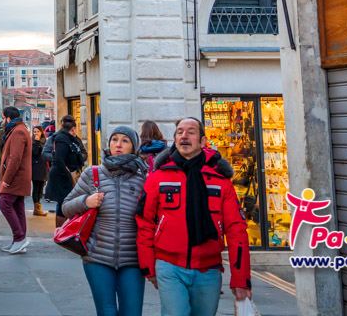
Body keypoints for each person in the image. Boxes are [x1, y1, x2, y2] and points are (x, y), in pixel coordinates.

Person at [137, 117, 252, 316]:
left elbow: (236, 230)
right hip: (169, 266)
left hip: (209, 270)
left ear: (202, 141)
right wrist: (148, 266)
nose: (184, 136)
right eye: (180, 132)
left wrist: (241, 278)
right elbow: (144, 222)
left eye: (191, 132)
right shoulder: (158, 177)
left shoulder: (220, 181)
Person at [63, 126, 148, 316]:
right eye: (114, 139)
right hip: (97, 258)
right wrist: (86, 201)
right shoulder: (93, 174)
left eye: (125, 140)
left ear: (134, 146)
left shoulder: (144, 177)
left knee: (132, 312)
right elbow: (66, 207)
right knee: (106, 312)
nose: (118, 144)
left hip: (132, 259)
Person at [0, 106, 32, 254]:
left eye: (3, 118)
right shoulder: (19, 129)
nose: (2, 121)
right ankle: (19, 240)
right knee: (18, 207)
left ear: (9, 118)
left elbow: (15, 157)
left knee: (4, 203)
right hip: (20, 176)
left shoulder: (17, 132)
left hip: (16, 176)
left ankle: (19, 238)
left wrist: (7, 178)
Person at [44, 115, 86, 226]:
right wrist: (57, 159)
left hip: (72, 173)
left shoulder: (75, 139)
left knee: (69, 201)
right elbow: (50, 155)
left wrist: (78, 157)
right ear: (73, 128)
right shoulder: (59, 138)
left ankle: (67, 226)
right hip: (63, 175)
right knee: (63, 201)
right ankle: (61, 228)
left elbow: (83, 153)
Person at [30, 125, 48, 216]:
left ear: (41, 132)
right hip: (36, 167)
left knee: (41, 187)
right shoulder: (32, 142)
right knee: (36, 187)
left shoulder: (45, 141)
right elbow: (35, 152)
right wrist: (36, 141)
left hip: (43, 166)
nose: (36, 133)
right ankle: (36, 209)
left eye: (37, 131)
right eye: (34, 132)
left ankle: (38, 206)